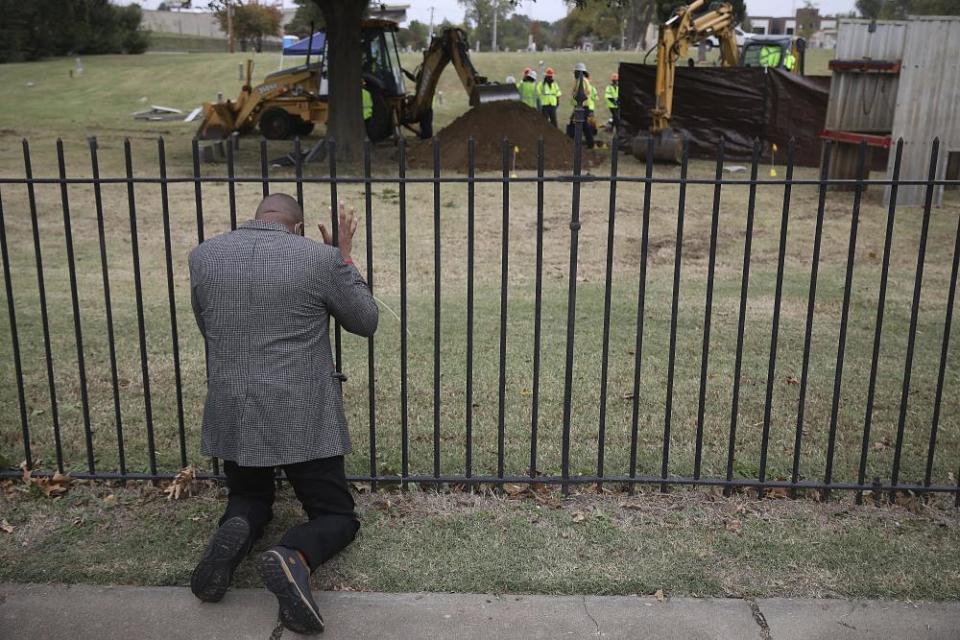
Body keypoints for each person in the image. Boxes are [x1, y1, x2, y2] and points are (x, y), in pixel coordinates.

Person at [188, 194, 378, 635]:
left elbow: (208, 326)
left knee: (250, 497)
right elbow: (365, 321)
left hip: (234, 403)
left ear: (258, 219)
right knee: (336, 516)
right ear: (296, 226)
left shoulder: (204, 256)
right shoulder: (319, 259)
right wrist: (345, 257)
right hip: (301, 409)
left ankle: (237, 526)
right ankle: (293, 554)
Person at [567, 62, 596, 149]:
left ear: (580, 72)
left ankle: (570, 141)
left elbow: (581, 94)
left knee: (574, 124)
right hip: (582, 106)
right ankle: (590, 143)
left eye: (576, 72)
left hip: (581, 106)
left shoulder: (581, 81)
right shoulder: (582, 80)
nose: (574, 73)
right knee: (583, 125)